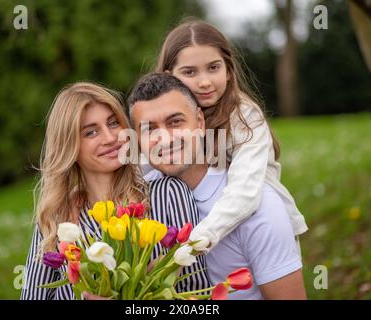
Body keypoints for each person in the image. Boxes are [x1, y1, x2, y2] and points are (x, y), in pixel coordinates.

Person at [21, 82, 210, 299]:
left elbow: (198, 292)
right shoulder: (58, 221)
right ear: (69, 145)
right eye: (91, 132)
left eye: (113, 123)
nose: (110, 138)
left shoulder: (166, 195)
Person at [127, 73, 307, 299]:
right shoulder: (135, 207)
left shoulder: (260, 208)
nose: (165, 138)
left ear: (200, 123)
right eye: (149, 129)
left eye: (176, 122)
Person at [150, 19, 308, 251]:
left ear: (228, 71)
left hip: (254, 229)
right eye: (190, 72)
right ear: (168, 76)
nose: (204, 82)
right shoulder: (160, 118)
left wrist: (190, 245)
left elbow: (245, 191)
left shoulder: (245, 117)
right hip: (201, 231)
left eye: (213, 68)